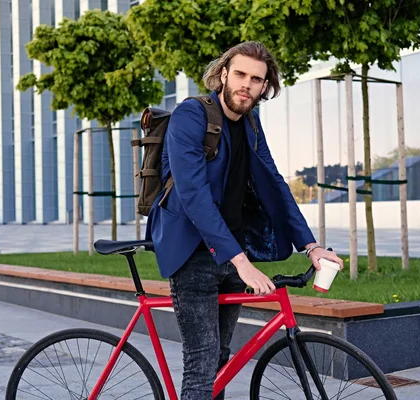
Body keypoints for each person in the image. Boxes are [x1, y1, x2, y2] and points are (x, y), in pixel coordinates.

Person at [145, 41, 343, 400]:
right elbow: (194, 196)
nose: (246, 84)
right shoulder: (191, 115)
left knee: (221, 358)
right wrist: (241, 263)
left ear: (265, 86)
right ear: (223, 74)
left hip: (234, 250)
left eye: (256, 79)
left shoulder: (251, 123)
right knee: (202, 363)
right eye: (240, 74)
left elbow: (275, 183)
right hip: (193, 253)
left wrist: (311, 246)